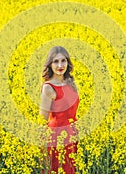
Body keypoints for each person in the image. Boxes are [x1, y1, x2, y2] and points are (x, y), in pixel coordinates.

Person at [40, 46, 79, 174]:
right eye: (55, 62)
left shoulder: (71, 83)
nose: (60, 65)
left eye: (63, 61)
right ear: (50, 65)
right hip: (56, 136)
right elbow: (42, 119)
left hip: (72, 133)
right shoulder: (48, 88)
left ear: (68, 62)